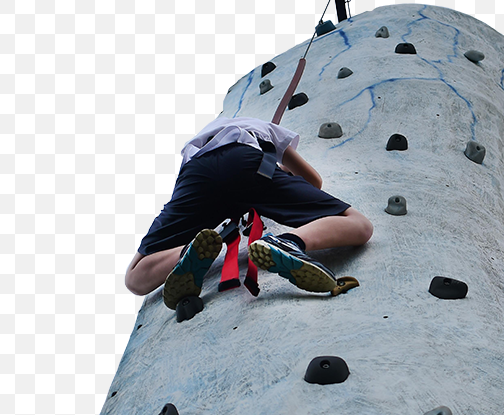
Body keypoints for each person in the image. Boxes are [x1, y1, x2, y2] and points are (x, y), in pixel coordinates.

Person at [124, 115, 373, 308]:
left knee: (135, 277)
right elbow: (313, 181)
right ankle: (288, 243)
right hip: (250, 165)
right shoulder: (263, 127)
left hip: (195, 177)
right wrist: (282, 180)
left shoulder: (199, 141)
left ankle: (190, 250)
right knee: (359, 224)